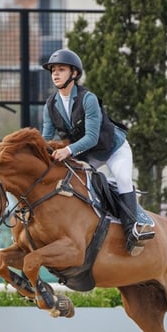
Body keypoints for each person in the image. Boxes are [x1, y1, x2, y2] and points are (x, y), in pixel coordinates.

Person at [41, 48, 154, 256]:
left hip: (112, 147)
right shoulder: (50, 105)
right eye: (53, 70)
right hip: (85, 153)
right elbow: (46, 138)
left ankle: (133, 229)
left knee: (122, 178)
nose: (55, 74)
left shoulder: (88, 99)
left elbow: (92, 137)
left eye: (61, 69)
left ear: (74, 74)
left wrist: (67, 149)